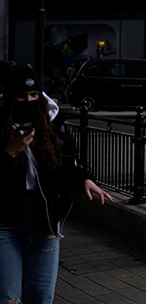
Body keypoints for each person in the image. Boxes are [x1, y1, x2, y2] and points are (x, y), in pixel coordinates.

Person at [1, 64, 115, 303]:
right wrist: (9, 153)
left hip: (44, 217)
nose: (29, 100)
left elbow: (66, 160)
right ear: (10, 98)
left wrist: (84, 179)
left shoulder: (52, 121)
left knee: (41, 296)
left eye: (34, 95)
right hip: (5, 219)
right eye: (21, 96)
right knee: (8, 298)